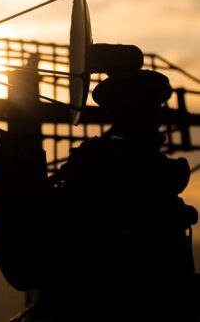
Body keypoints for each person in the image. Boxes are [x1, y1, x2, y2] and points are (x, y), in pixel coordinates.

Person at [48, 69, 198, 321]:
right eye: (153, 108)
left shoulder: (95, 157)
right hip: (133, 301)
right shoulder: (135, 163)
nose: (160, 116)